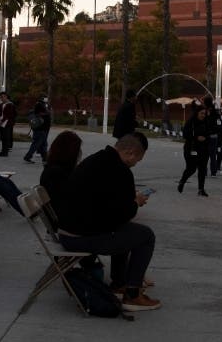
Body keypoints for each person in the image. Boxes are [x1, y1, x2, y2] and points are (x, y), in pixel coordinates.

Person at [59, 133, 160, 311]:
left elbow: (108, 209)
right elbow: (121, 215)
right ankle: (133, 294)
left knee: (127, 230)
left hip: (67, 231)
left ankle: (120, 282)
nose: (136, 163)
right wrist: (136, 202)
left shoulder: (96, 160)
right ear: (130, 152)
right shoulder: (120, 171)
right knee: (145, 236)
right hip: (80, 238)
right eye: (137, 159)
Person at [178, 103, 212, 196]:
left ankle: (201, 189)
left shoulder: (206, 122)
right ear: (197, 113)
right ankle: (182, 181)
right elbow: (185, 134)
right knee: (191, 168)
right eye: (201, 113)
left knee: (202, 169)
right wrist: (196, 137)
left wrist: (206, 138)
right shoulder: (191, 122)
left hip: (204, 150)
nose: (203, 115)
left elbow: (209, 134)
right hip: (191, 149)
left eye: (204, 114)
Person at [23, 96, 51, 164]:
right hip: (40, 128)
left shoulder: (41, 105)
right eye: (45, 98)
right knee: (37, 143)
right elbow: (41, 113)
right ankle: (28, 156)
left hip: (42, 128)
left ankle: (45, 158)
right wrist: (47, 112)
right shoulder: (40, 105)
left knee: (43, 144)